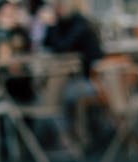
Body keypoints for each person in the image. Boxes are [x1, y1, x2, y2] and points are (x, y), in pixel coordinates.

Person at [40, 0, 104, 146]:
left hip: (90, 80)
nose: (56, 8)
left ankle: (66, 136)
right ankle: (73, 134)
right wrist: (51, 25)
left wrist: (52, 24)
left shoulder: (80, 24)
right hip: (71, 78)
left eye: (59, 5)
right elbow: (47, 45)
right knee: (52, 91)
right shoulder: (63, 23)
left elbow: (61, 47)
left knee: (53, 94)